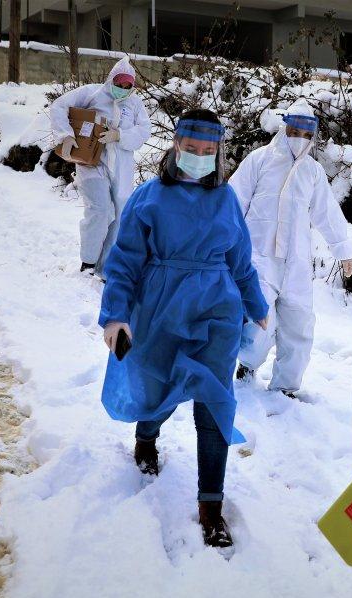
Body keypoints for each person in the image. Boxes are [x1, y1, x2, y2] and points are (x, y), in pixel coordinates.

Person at [99, 109, 269, 549]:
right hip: (159, 307)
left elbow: (241, 262)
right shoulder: (148, 197)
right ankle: (147, 437)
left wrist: (257, 306)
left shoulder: (227, 200)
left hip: (216, 310)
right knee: (157, 388)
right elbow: (124, 261)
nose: (198, 156)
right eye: (190, 148)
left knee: (214, 401)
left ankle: (210, 506)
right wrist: (116, 315)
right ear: (175, 146)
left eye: (207, 151)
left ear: (218, 153)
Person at [228, 99, 352, 398]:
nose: (300, 137)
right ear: (285, 127)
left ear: (313, 134)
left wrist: (343, 249)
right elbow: (233, 202)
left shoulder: (312, 171)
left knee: (299, 324)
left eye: (306, 132)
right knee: (259, 319)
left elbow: (325, 211)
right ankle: (248, 363)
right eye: (295, 129)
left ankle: (285, 387)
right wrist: (224, 244)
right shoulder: (259, 160)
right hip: (258, 256)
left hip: (297, 261)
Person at [51, 58, 152, 275]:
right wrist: (66, 135)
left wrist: (120, 136)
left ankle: (106, 267)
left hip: (122, 166)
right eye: (120, 83)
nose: (123, 89)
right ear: (111, 80)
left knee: (120, 213)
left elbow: (144, 131)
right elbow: (59, 105)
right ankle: (88, 262)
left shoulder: (135, 104)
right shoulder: (92, 93)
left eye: (128, 86)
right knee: (100, 209)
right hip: (92, 164)